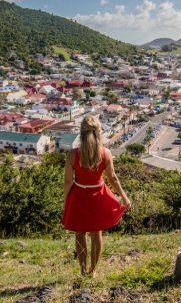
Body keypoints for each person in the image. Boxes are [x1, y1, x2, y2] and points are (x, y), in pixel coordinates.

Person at [62, 115, 131, 277]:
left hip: (79, 195)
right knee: (96, 233)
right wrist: (124, 197)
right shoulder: (105, 153)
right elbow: (112, 178)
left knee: (80, 234)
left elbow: (67, 181)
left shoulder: (73, 155)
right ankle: (93, 270)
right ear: (98, 132)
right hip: (98, 194)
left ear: (81, 133)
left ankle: (82, 269)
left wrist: (66, 200)